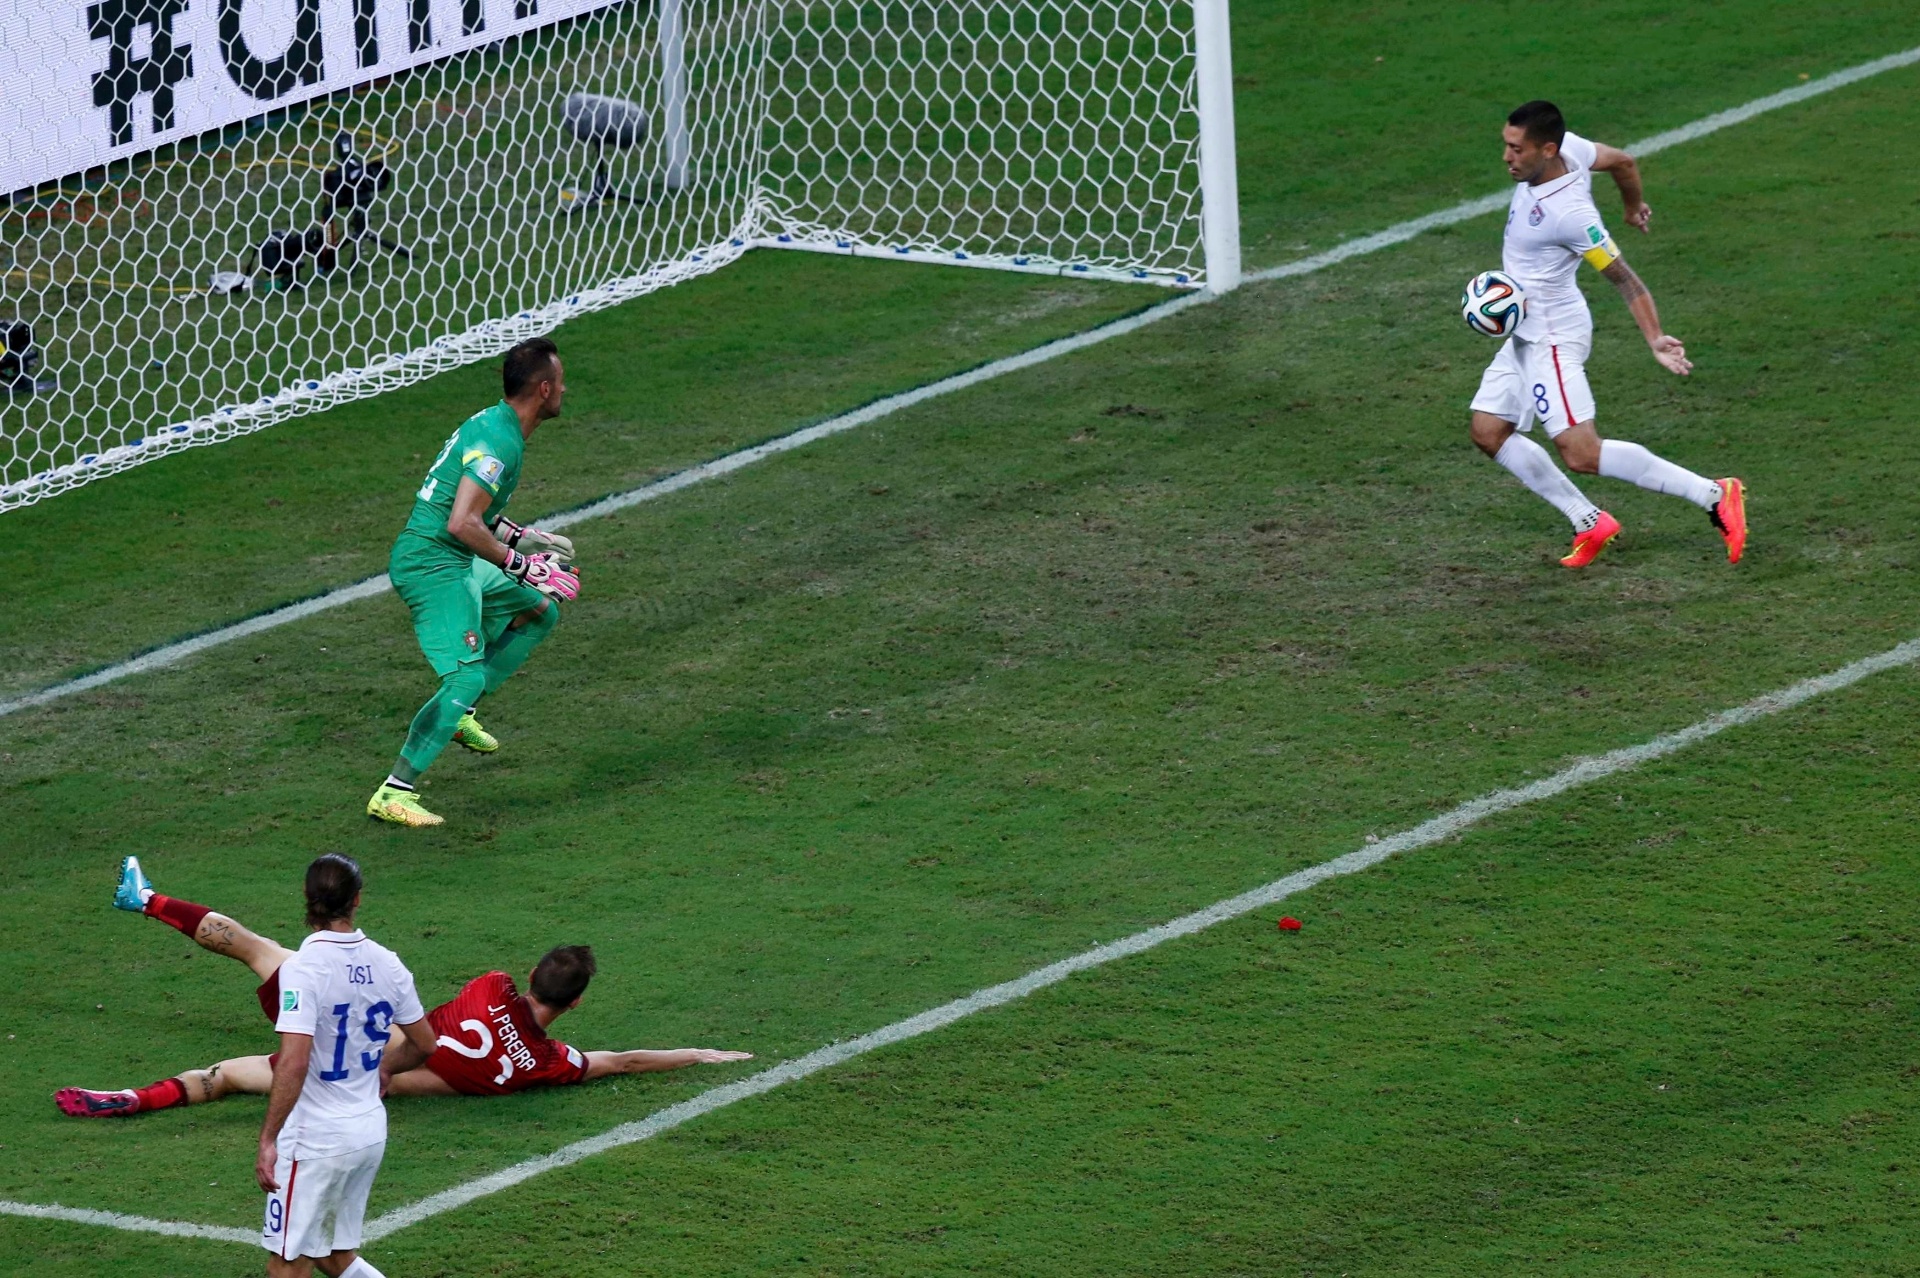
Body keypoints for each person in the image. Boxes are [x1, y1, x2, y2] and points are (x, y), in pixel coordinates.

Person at [55, 858, 751, 1117]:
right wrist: (699, 1055)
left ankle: (144, 900)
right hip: (357, 1073)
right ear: (573, 1005)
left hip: (337, 1011)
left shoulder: (489, 986)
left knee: (257, 948)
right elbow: (618, 1062)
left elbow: (427, 1033)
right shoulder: (544, 1066)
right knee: (227, 1077)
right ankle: (132, 1098)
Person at [1470, 99, 1748, 568]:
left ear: (1547, 149)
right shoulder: (1572, 150)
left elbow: (1624, 278)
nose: (1507, 157)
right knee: (1489, 429)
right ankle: (1589, 520)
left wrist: (1655, 338)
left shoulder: (1571, 215)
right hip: (1525, 331)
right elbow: (1624, 161)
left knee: (1581, 452)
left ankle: (1713, 494)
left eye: (1516, 149)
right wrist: (1633, 203)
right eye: (1506, 145)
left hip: (1552, 338)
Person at [368, 336, 583, 828]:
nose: (566, 390)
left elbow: (472, 513)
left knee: (538, 610)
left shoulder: (497, 425)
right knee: (463, 676)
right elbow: (461, 524)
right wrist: (523, 565)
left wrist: (524, 538)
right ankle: (393, 791)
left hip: (455, 555)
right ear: (545, 388)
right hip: (432, 564)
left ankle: (459, 713)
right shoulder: (500, 441)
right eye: (561, 382)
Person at [251, 853, 436, 1278]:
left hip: (315, 1140)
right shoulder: (389, 963)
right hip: (368, 1130)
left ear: (305, 897)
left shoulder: (303, 969)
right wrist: (386, 1068)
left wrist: (268, 1138)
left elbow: (294, 1061)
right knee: (331, 1254)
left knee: (288, 1260)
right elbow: (426, 1043)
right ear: (357, 900)